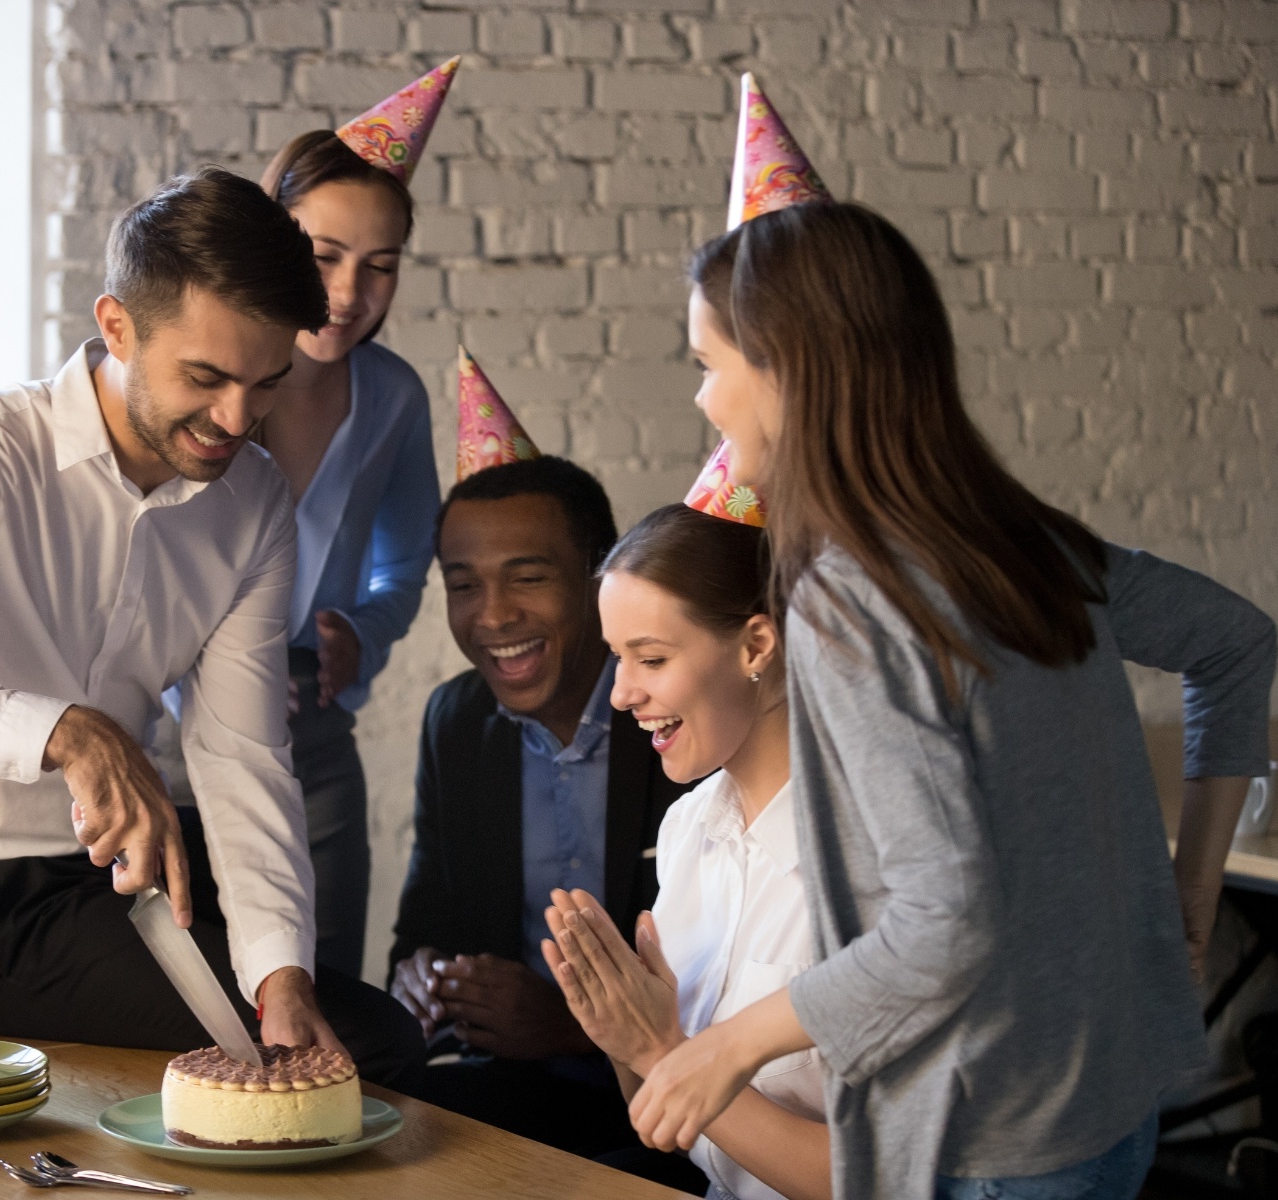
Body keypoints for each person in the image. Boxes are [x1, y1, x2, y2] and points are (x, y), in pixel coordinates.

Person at [623, 198, 1277, 1199]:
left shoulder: (846, 593)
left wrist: (724, 1052)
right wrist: (1189, 895)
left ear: (787, 368)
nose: (705, 401)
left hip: (989, 1141)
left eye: (710, 366)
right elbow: (1238, 642)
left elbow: (944, 924)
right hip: (1113, 1095)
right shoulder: (1024, 540)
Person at [0, 166, 424, 1092]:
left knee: (351, 1038)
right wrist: (63, 733)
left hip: (135, 875)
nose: (237, 420)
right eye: (205, 377)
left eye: (265, 382)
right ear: (116, 326)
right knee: (383, 1047)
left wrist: (278, 972)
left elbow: (240, 753)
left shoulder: (254, 502)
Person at [387, 365, 689, 1177]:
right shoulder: (457, 723)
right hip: (511, 1092)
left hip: (678, 1101)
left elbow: (746, 984)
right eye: (463, 585)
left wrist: (562, 1022)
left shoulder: (677, 720)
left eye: (527, 576)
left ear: (600, 575)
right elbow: (423, 927)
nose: (492, 616)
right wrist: (423, 980)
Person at [220, 57, 454, 978]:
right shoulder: (212, 382)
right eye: (323, 257)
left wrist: (360, 632)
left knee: (328, 1000)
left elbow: (406, 568)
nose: (350, 293)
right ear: (273, 239)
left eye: (380, 266)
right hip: (171, 742)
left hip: (313, 736)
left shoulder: (393, 398)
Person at [542, 501, 830, 1200]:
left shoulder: (863, 861)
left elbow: (890, 1179)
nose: (620, 694)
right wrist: (624, 1033)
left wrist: (665, 1050)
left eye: (651, 658)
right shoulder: (687, 829)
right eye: (617, 658)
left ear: (757, 645)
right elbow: (663, 1127)